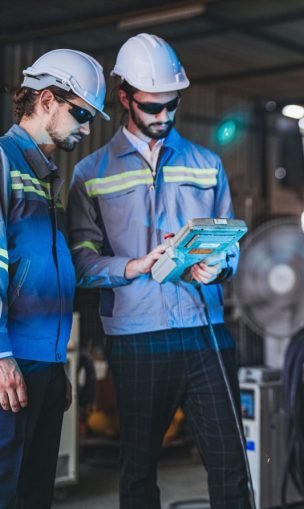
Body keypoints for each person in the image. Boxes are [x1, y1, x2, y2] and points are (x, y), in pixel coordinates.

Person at [67, 33, 249, 509]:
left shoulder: (207, 165)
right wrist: (135, 266)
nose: (164, 116)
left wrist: (218, 268)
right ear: (124, 98)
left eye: (172, 105)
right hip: (136, 335)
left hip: (206, 332)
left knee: (231, 466)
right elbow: (81, 263)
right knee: (139, 470)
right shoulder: (91, 174)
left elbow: (231, 246)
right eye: (152, 107)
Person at [0, 49, 109, 508]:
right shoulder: (4, 161)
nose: (86, 128)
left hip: (42, 362)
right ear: (46, 100)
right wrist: (1, 354)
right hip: (11, 363)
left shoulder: (45, 177)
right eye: (81, 114)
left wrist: (57, 361)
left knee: (34, 494)